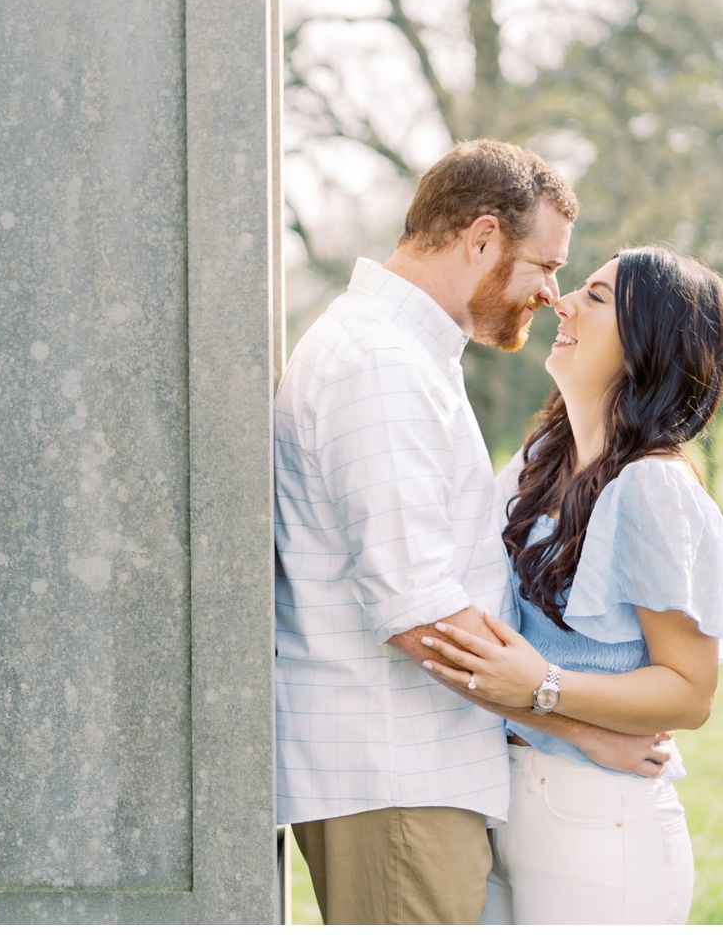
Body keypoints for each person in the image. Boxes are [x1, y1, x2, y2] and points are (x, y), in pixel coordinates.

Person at [275, 141, 678, 926]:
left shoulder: (407, 355)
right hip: (395, 777)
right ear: (482, 239)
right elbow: (416, 609)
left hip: (416, 773)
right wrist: (577, 729)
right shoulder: (379, 364)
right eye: (545, 267)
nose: (551, 295)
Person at [418, 246, 723, 924]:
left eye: (596, 298)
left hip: (601, 827)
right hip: (505, 805)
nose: (560, 302)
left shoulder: (652, 487)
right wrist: (566, 719)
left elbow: (689, 693)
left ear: (647, 347)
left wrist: (545, 688)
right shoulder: (538, 462)